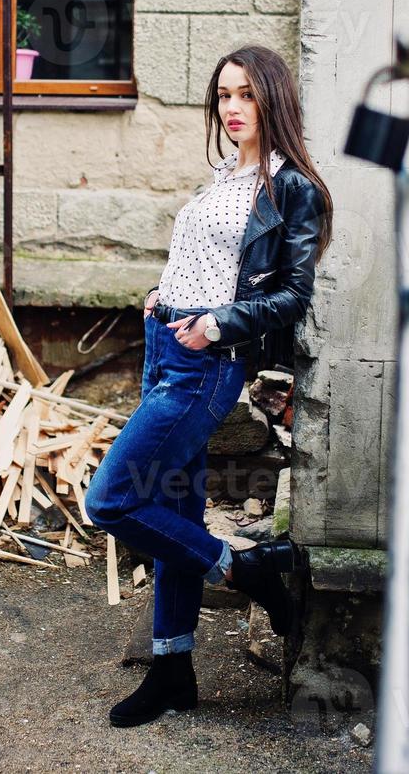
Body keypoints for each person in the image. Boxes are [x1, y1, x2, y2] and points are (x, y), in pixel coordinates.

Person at [85, 44, 335, 727]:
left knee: (109, 501)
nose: (230, 107)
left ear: (272, 101)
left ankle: (247, 570)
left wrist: (217, 324)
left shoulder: (291, 188)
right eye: (223, 94)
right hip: (164, 348)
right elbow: (204, 260)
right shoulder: (225, 174)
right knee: (174, 518)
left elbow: (291, 294)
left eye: (245, 95)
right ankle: (172, 671)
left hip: (204, 365)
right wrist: (161, 295)